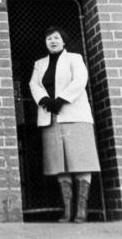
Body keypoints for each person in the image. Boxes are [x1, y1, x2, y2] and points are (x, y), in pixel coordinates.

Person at [29, 26, 101, 223]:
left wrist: (61, 100)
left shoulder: (74, 58)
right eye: (49, 38)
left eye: (56, 38)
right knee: (59, 164)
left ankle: (81, 210)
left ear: (63, 41)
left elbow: (80, 80)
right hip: (50, 118)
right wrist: (45, 100)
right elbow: (34, 85)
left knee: (81, 161)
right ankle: (67, 209)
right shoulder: (39, 63)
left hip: (75, 115)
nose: (52, 41)